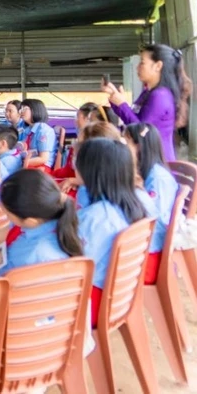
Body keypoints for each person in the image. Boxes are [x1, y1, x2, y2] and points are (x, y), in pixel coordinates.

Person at [75, 138, 148, 327]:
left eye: (78, 160)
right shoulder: (136, 199)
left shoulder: (96, 217)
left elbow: (71, 265)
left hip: (90, 300)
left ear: (91, 170)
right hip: (118, 294)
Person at [103, 44, 192, 162]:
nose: (137, 67)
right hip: (147, 158)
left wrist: (122, 104)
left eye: (142, 62)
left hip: (157, 161)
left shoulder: (160, 96)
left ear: (158, 66)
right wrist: (116, 99)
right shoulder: (148, 92)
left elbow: (141, 131)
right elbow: (133, 119)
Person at [0, 170, 82, 276]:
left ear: (30, 221)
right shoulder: (63, 225)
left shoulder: (28, 256)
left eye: (8, 215)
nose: (8, 218)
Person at [123, 123, 178, 284]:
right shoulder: (149, 173)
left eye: (126, 142)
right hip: (144, 246)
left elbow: (153, 219)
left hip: (150, 251)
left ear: (138, 147)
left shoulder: (158, 178)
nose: (123, 147)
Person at [53, 102, 101, 179]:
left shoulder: (92, 146)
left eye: (78, 116)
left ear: (87, 119)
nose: (76, 121)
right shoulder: (79, 142)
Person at [19, 98, 57, 171]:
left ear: (35, 110)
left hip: (41, 168)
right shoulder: (27, 129)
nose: (21, 112)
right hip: (28, 165)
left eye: (25, 108)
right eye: (21, 109)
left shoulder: (44, 130)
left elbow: (43, 159)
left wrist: (21, 163)